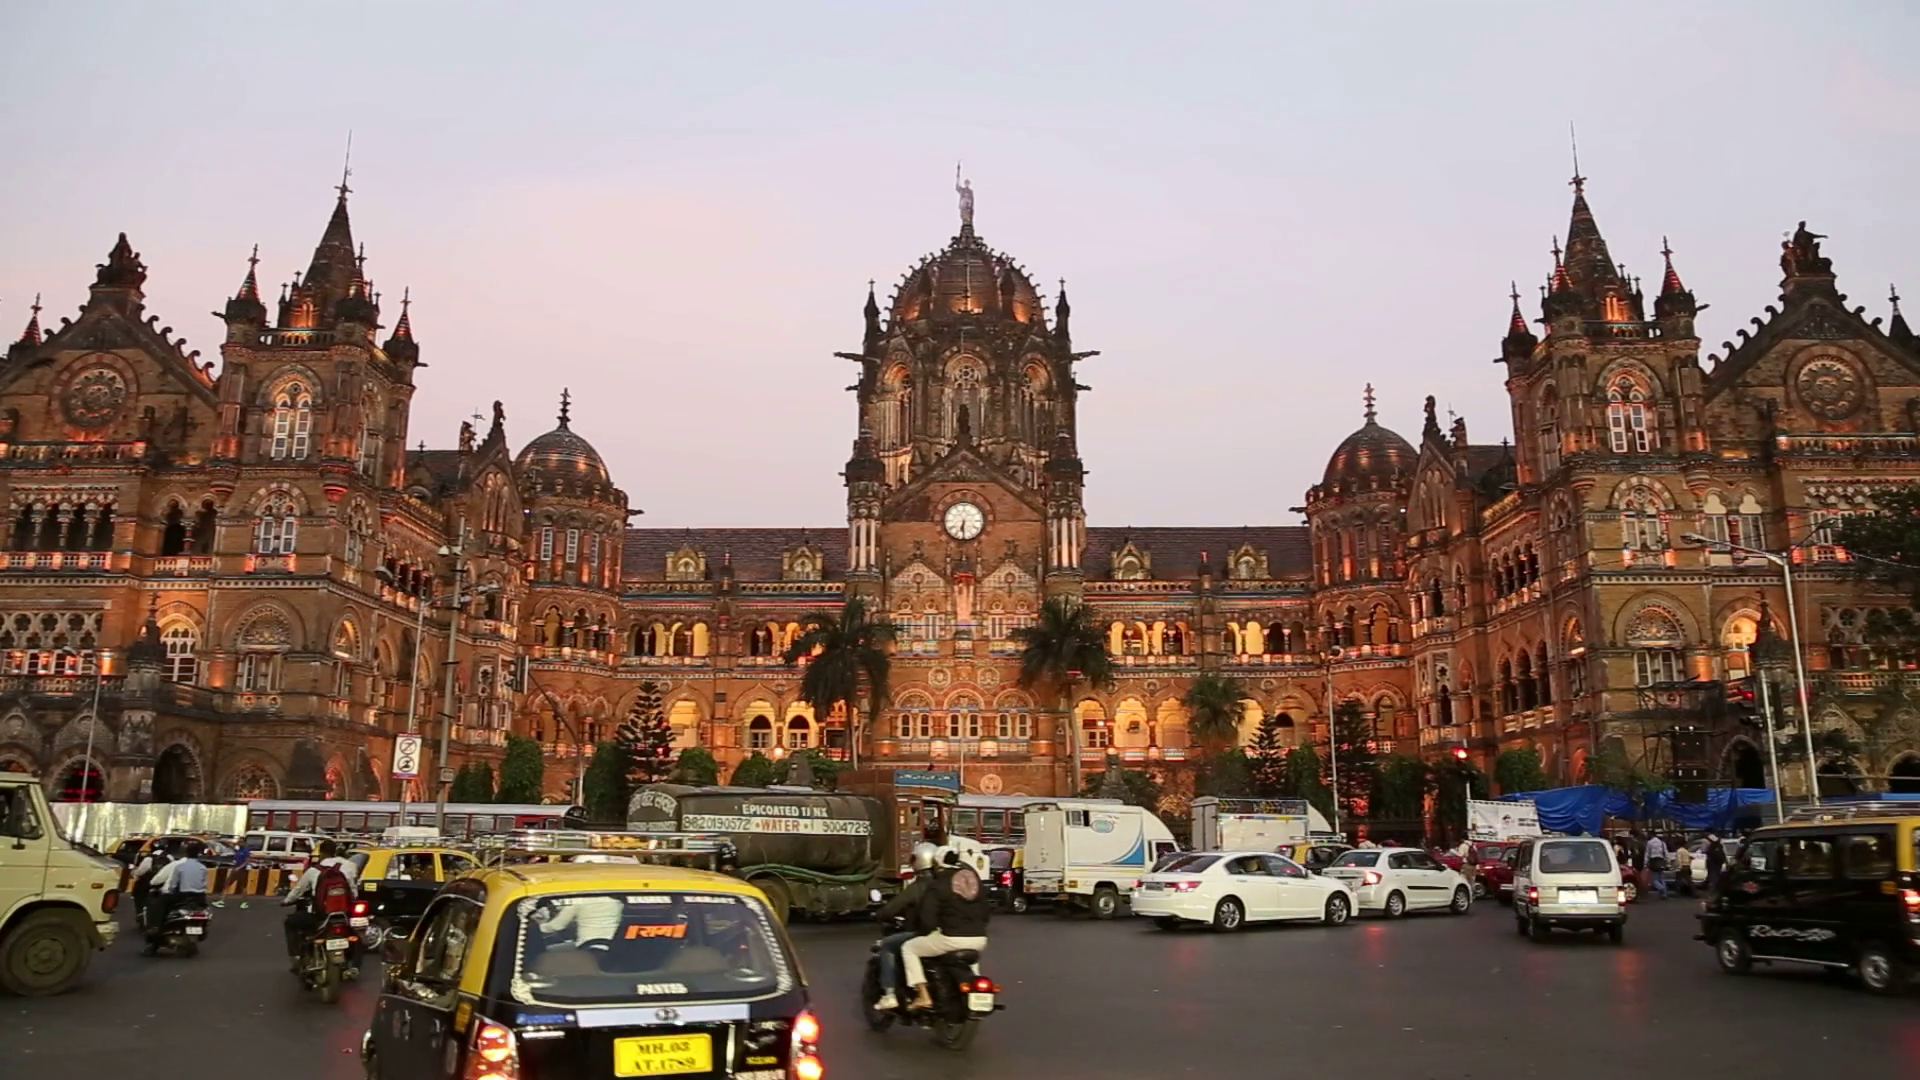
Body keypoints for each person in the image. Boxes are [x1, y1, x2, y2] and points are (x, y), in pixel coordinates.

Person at [901, 849, 990, 1012]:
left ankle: (923, 995)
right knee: (970, 959)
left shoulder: (938, 885)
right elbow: (986, 913)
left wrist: (922, 931)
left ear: (937, 864)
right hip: (979, 939)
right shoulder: (974, 881)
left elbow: (927, 919)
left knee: (909, 948)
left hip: (952, 938)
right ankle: (974, 986)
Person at [871, 842, 941, 1012]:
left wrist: (880, 914)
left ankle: (889, 995)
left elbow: (893, 907)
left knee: (887, 946)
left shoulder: (919, 886)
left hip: (923, 932)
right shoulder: (943, 883)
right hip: (950, 933)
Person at [280, 840, 360, 967]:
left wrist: (286, 901)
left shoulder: (314, 870)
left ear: (321, 853)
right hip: (345, 914)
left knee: (290, 923)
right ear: (335, 851)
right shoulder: (350, 866)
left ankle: (296, 957)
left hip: (321, 915)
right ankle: (355, 965)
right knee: (358, 933)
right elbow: (354, 892)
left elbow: (298, 890)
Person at [1643, 832, 1669, 899]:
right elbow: (1666, 852)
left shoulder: (1649, 843)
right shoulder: (1662, 843)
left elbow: (1647, 853)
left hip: (1653, 861)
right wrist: (1667, 862)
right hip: (1661, 860)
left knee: (1654, 879)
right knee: (1662, 878)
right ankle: (1664, 894)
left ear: (1651, 835)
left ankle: (1661, 888)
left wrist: (1645, 863)